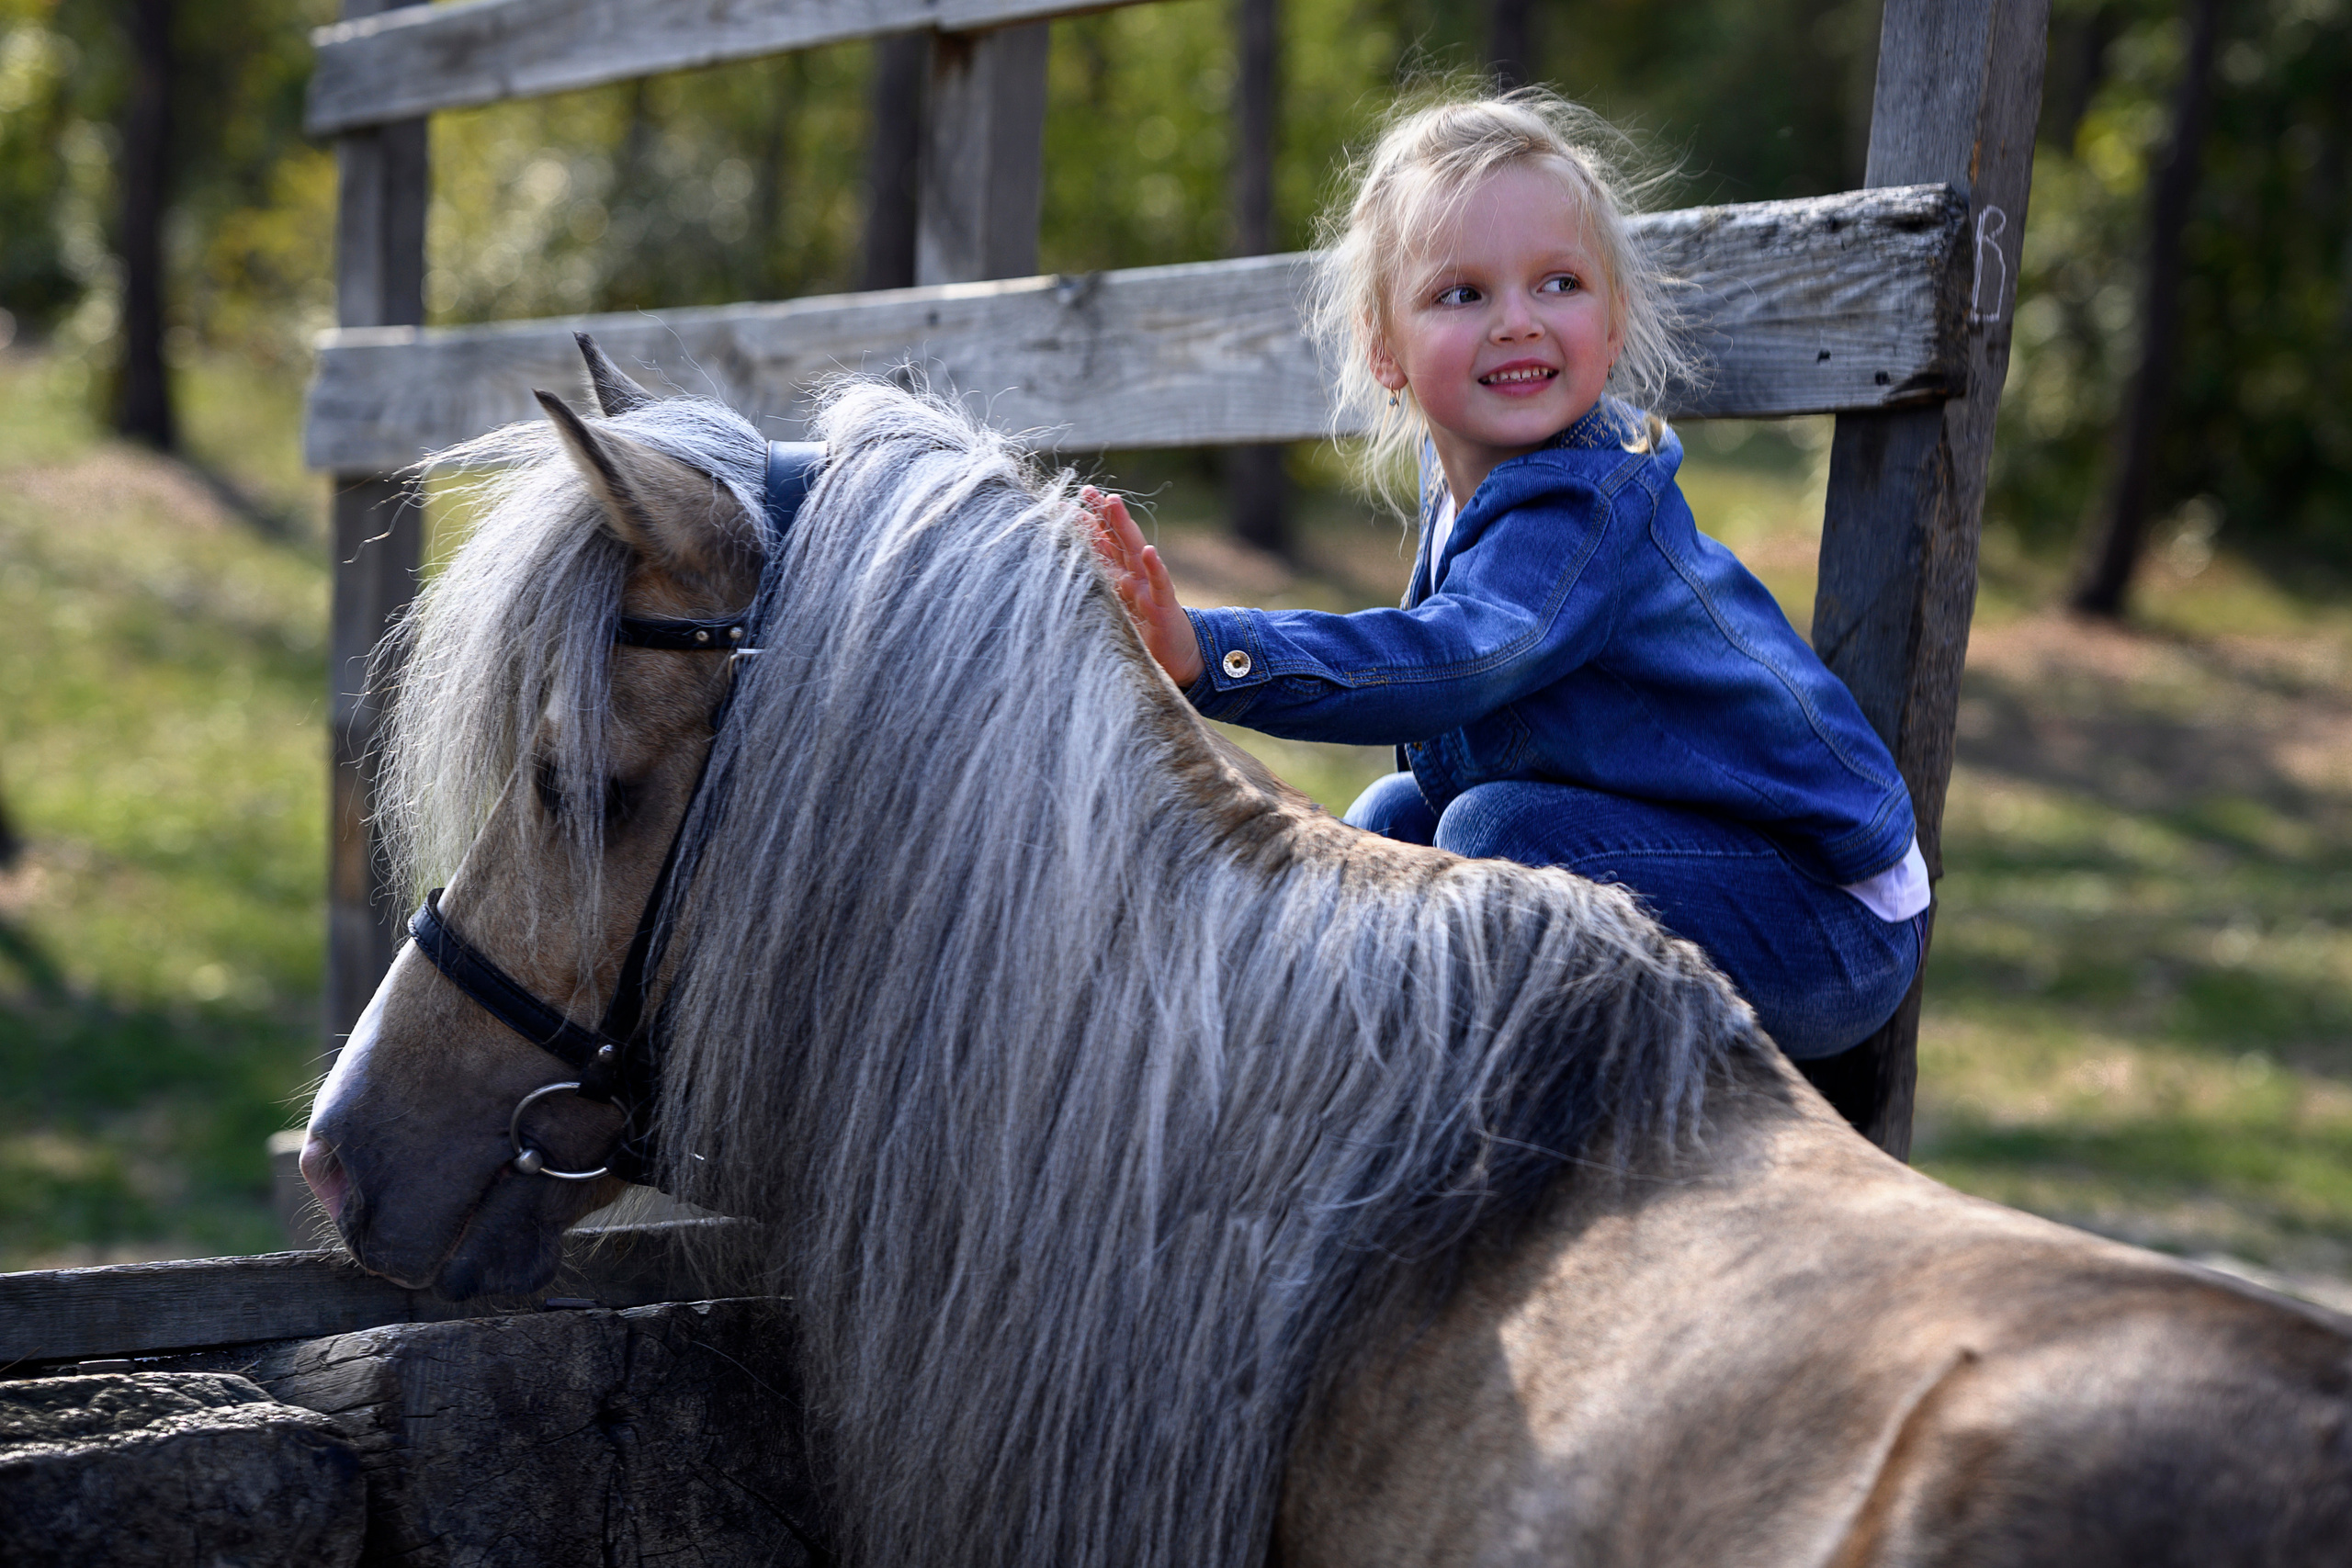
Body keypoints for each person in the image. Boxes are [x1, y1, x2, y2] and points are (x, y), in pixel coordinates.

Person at [1086, 90, 1928, 1060]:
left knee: (1494, 831)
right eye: (1462, 293)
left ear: (1613, 325)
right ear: (1383, 348)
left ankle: (1406, 1095)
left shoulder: (1580, 505)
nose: (1517, 322)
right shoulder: (1468, 482)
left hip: (1822, 917)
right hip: (1684, 852)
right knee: (1394, 823)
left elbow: (1457, 658)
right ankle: (1306, 1051)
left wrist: (1212, 655)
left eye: (1558, 284)